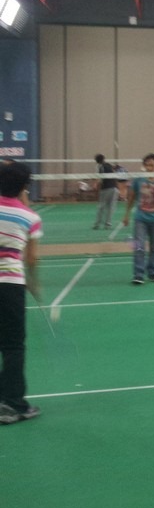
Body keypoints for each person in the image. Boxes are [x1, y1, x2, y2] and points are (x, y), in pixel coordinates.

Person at [0, 161, 43, 424]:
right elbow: (32, 259)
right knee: (13, 345)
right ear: (25, 186)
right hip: (10, 284)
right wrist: (34, 285)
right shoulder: (30, 218)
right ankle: (13, 405)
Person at [122, 153, 154, 285]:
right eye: (147, 165)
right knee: (139, 247)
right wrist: (126, 214)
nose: (149, 168)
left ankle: (152, 272)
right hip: (140, 219)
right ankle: (138, 274)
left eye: (152, 165)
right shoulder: (138, 180)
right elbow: (131, 197)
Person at [93, 153, 118, 229]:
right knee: (110, 207)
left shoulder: (100, 167)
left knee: (101, 207)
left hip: (106, 189)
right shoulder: (109, 165)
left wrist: (96, 186)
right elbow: (114, 172)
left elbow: (100, 179)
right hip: (114, 188)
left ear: (97, 161)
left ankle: (97, 224)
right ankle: (108, 224)